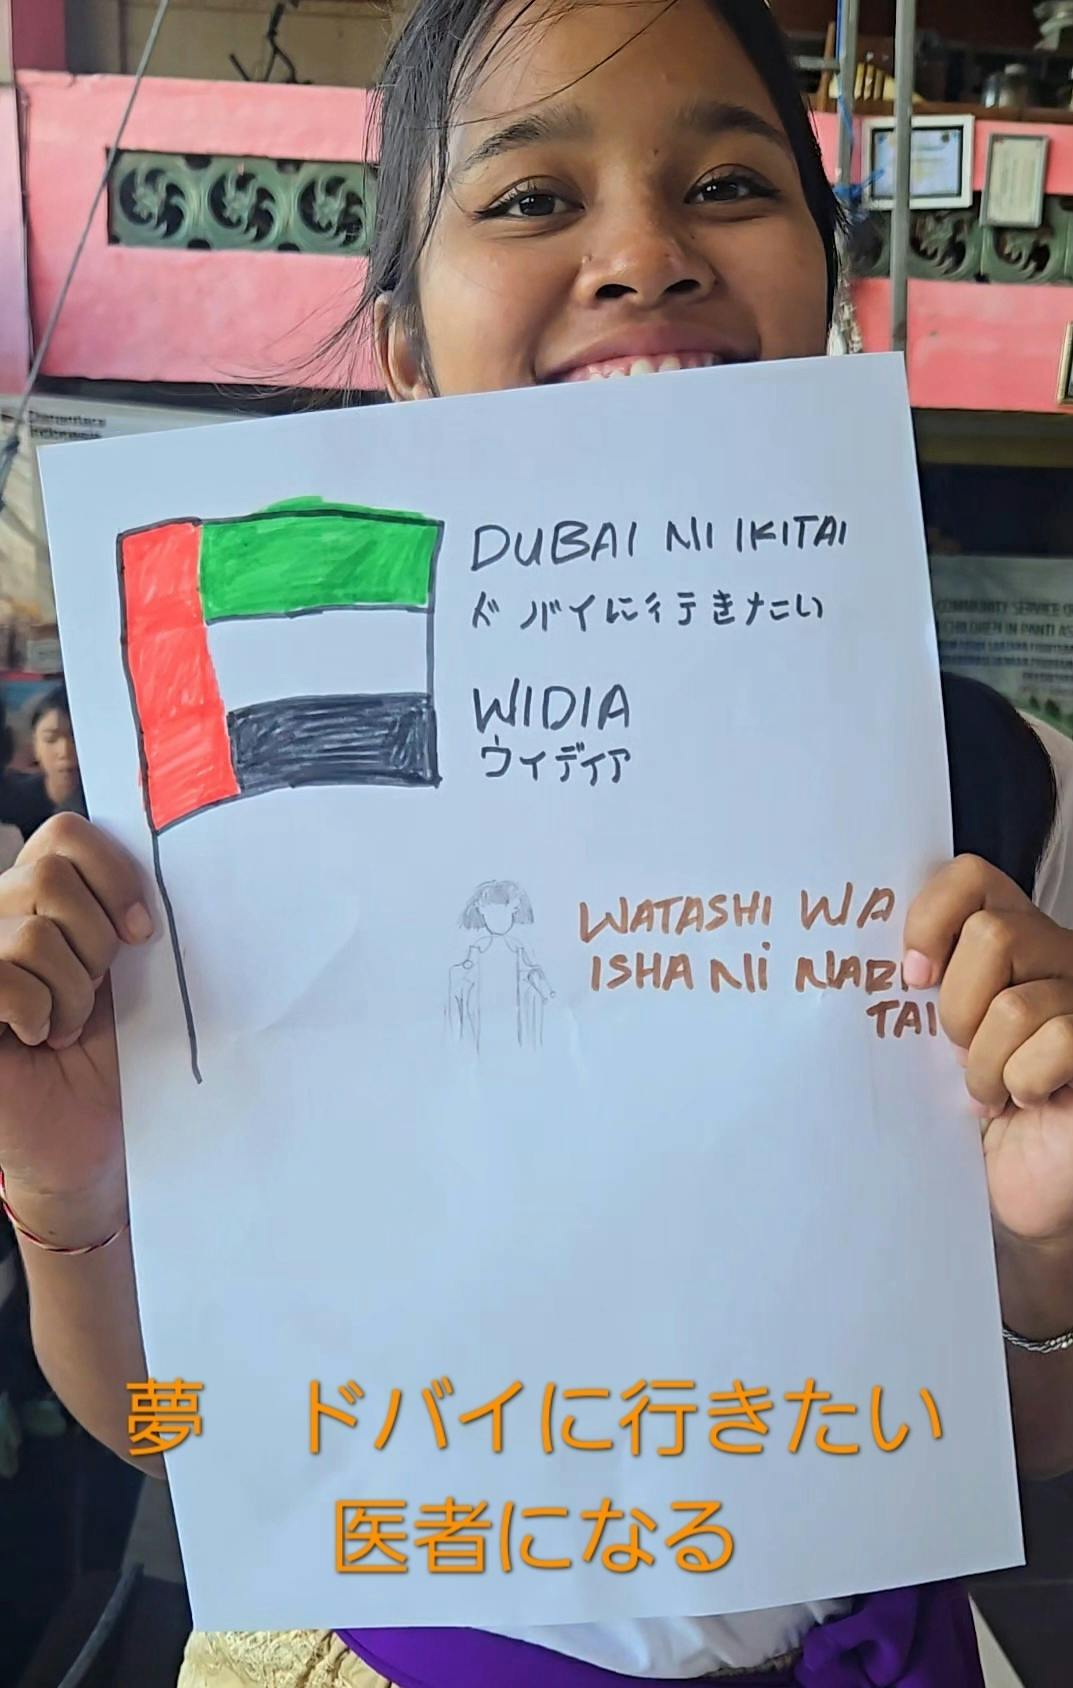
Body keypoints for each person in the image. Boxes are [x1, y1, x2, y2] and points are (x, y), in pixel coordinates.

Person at [0, 1, 1072, 1684]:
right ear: (403, 350)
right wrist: (68, 1201)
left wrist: (1039, 1255)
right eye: (526, 199)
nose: (643, 255)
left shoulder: (1005, 797)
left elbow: (1027, 1440)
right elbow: (164, 1432)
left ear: (827, 287)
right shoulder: (214, 836)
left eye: (729, 184)